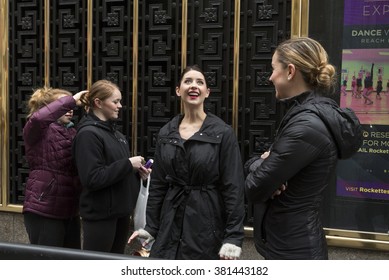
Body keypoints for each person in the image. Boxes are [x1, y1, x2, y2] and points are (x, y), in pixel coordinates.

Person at [245, 37, 362, 260]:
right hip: (290, 243)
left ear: (290, 71)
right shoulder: (306, 116)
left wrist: (259, 163)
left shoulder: (306, 126)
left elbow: (255, 187)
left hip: (295, 250)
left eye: (273, 69)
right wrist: (261, 163)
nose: (270, 77)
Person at [129, 65, 245, 260]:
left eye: (200, 82)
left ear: (207, 92)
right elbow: (158, 185)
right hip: (170, 222)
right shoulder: (167, 132)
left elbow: (233, 187)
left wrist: (233, 236)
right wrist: (152, 227)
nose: (194, 86)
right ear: (178, 90)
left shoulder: (222, 132)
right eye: (188, 81)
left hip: (207, 224)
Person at [72, 79, 150, 254]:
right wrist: (128, 164)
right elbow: (92, 178)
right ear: (98, 103)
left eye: (119, 101)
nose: (120, 106)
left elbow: (115, 172)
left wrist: (137, 173)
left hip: (121, 213)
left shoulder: (117, 135)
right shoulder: (88, 134)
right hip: (100, 216)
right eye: (115, 101)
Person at [23, 86, 87, 248]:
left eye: (72, 107)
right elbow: (38, 119)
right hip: (44, 208)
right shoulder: (37, 129)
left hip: (70, 209)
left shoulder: (73, 131)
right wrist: (72, 100)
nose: (70, 109)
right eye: (63, 105)